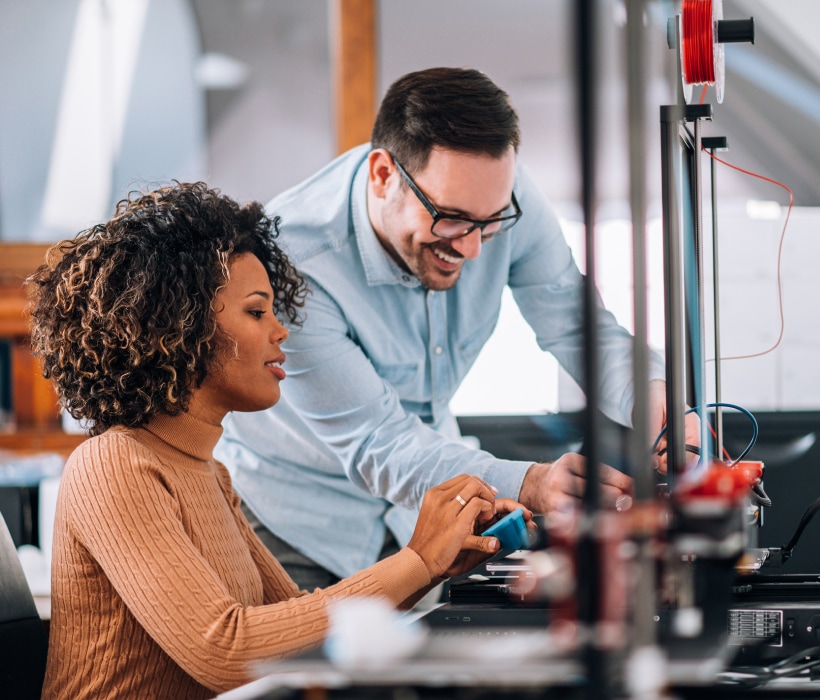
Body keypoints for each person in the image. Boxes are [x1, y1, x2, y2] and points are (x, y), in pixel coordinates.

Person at [28, 181, 528, 699]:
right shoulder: (112, 464)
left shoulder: (208, 472)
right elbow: (226, 651)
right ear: (177, 326)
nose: (280, 331)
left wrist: (435, 566)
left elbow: (295, 627)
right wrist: (417, 559)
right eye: (256, 311)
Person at [215, 66, 700, 591]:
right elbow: (380, 444)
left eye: (489, 223)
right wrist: (531, 482)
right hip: (302, 522)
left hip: (428, 501)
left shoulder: (502, 200)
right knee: (318, 669)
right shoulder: (296, 263)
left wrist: (655, 400)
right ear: (383, 175)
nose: (472, 248)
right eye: (450, 218)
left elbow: (577, 325)